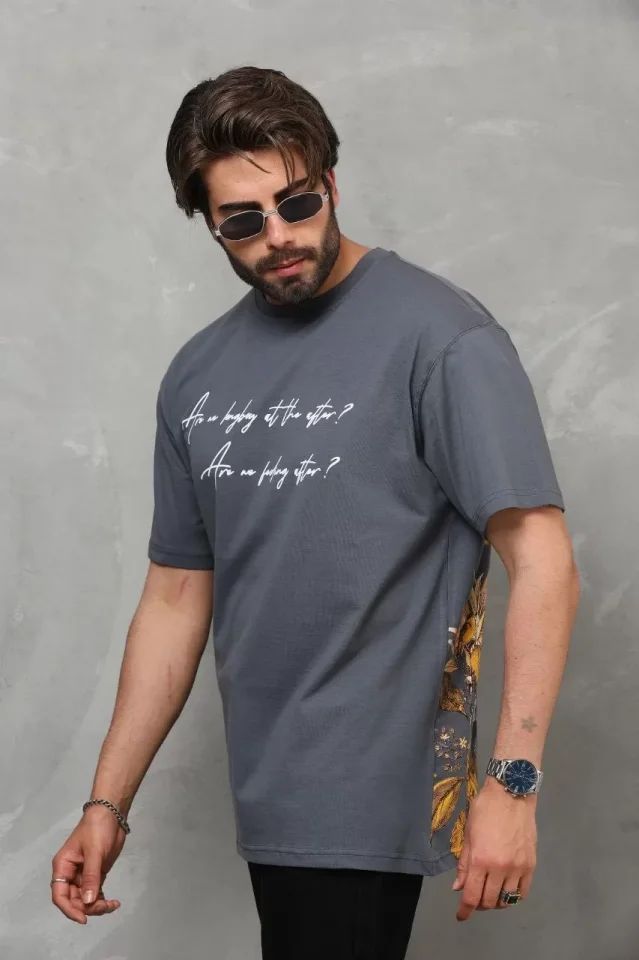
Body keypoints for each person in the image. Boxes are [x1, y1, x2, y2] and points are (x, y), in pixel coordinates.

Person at [50, 65, 581, 958]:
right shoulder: (196, 374)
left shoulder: (441, 337)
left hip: (370, 788)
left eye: (296, 203)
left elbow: (543, 561)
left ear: (329, 183)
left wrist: (512, 785)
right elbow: (175, 598)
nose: (279, 236)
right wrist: (108, 803)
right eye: (242, 221)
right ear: (209, 224)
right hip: (268, 795)